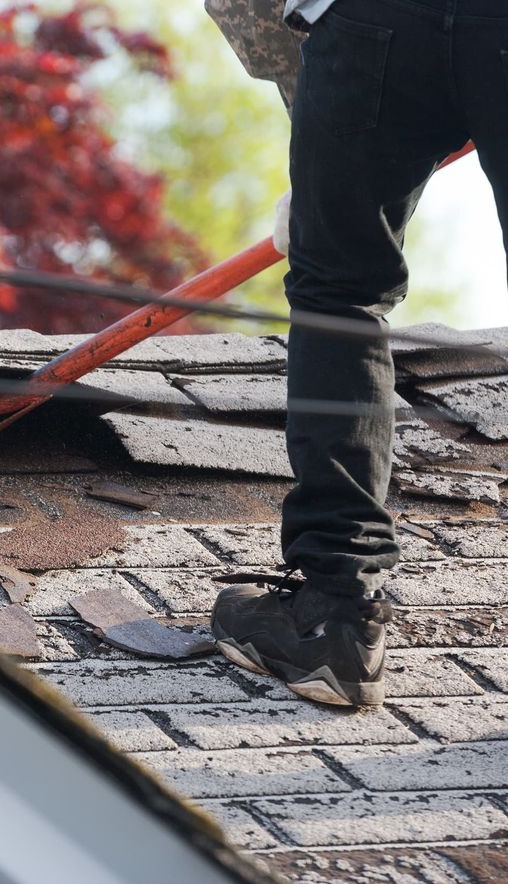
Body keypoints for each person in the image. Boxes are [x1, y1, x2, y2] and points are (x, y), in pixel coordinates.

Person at [203, 0, 496, 707]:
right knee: (337, 289)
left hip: (376, 25)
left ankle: (337, 618)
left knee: (340, 294)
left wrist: (314, 130)